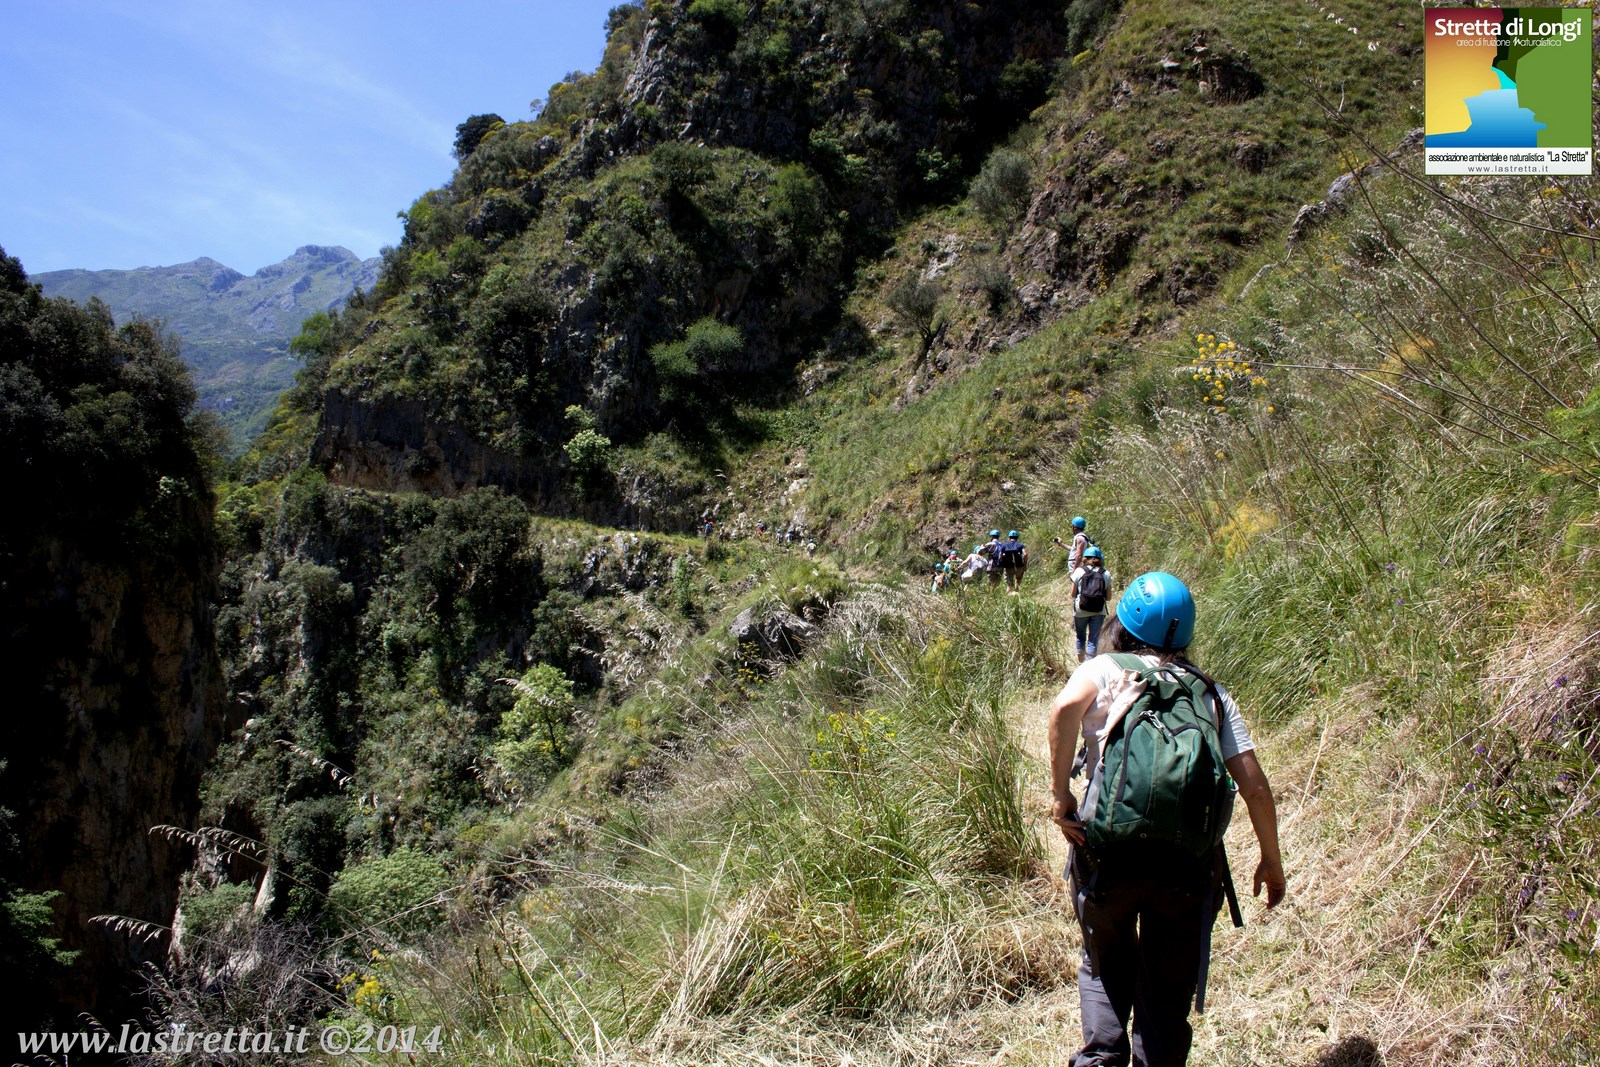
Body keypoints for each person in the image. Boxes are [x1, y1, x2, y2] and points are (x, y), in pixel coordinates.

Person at [1047, 572, 1286, 1067]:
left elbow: (1064, 708)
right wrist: (1271, 859)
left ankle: (1101, 1059)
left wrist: (1061, 797)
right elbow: (1256, 788)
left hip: (1106, 852)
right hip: (1186, 865)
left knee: (1104, 963)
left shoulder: (1104, 668)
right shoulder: (1210, 694)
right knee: (1169, 979)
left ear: (1125, 621)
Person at [1070, 545, 1111, 661]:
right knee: (1093, 639)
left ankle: (1081, 663)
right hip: (1098, 610)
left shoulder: (1079, 571)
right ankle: (1088, 664)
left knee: (1080, 636)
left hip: (1080, 609)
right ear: (1100, 560)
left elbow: (1072, 594)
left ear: (1085, 558)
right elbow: (1108, 598)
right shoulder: (1106, 574)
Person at [995, 530, 1029, 594]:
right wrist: (1025, 565)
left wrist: (1003, 564)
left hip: (1008, 567)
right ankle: (1016, 593)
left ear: (1009, 537)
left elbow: (1000, 556)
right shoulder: (1020, 545)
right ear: (1017, 537)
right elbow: (1025, 554)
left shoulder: (1004, 545)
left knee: (1009, 584)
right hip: (1019, 566)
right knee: (1018, 580)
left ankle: (1008, 595)